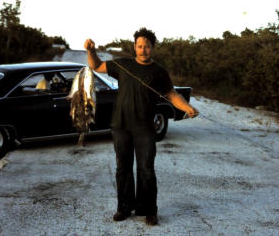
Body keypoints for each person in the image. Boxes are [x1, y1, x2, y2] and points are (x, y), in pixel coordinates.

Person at [84, 28, 199, 226]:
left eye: (146, 47)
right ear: (134, 47)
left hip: (145, 128)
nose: (142, 50)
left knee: (146, 169)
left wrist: (187, 107)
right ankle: (124, 208)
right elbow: (96, 66)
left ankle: (149, 210)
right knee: (123, 168)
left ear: (152, 48)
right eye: (139, 46)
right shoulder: (123, 64)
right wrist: (91, 51)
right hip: (120, 125)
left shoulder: (159, 72)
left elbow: (171, 95)